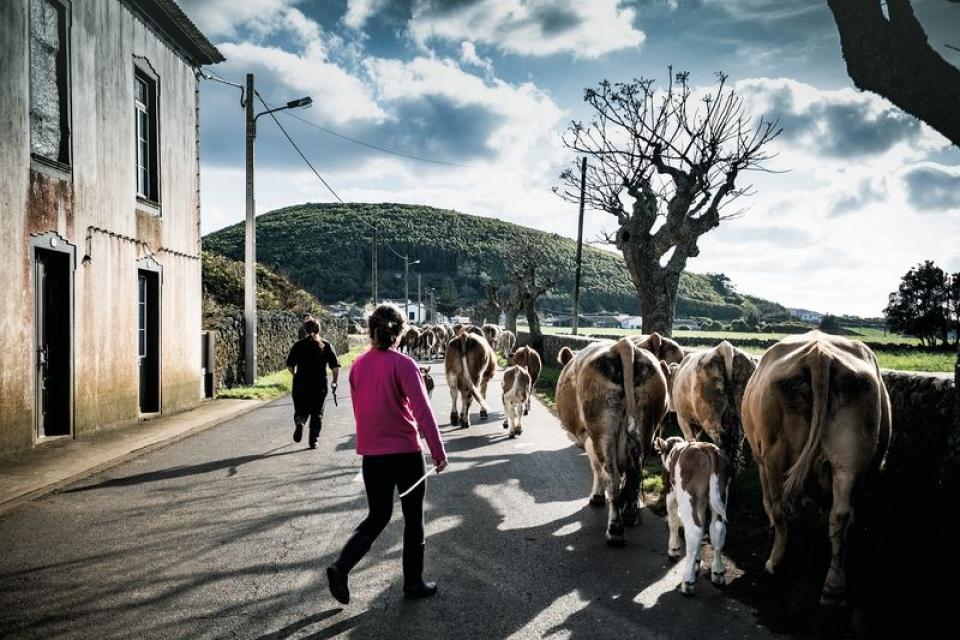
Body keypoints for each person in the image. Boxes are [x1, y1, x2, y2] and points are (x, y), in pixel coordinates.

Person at [326, 303, 448, 604]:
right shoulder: (404, 364)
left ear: (371, 331)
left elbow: (360, 412)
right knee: (413, 518)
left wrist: (369, 444)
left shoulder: (357, 366)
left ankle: (341, 567)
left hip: (372, 457)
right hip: (406, 455)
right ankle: (413, 583)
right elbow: (423, 412)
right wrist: (438, 451)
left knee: (377, 516)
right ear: (399, 332)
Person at [286, 317, 340, 449]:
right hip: (319, 385)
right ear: (319, 329)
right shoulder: (326, 345)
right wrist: (334, 382)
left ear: (305, 330)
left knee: (301, 410)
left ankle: (300, 422)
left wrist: (295, 375)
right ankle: (313, 441)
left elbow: (290, 366)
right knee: (317, 413)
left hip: (300, 384)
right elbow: (335, 367)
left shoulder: (298, 345)